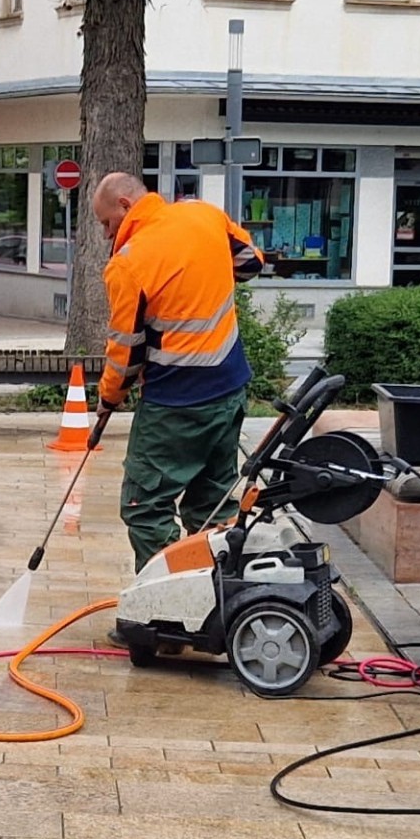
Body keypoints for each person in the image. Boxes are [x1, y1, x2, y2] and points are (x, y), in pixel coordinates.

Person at [88, 172, 264, 572]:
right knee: (213, 503)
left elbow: (125, 354)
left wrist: (108, 401)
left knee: (145, 507)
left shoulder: (129, 264)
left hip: (174, 406)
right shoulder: (204, 215)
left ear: (125, 206)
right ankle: (219, 596)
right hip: (229, 391)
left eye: (105, 222)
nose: (105, 233)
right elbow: (251, 262)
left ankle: (167, 609)